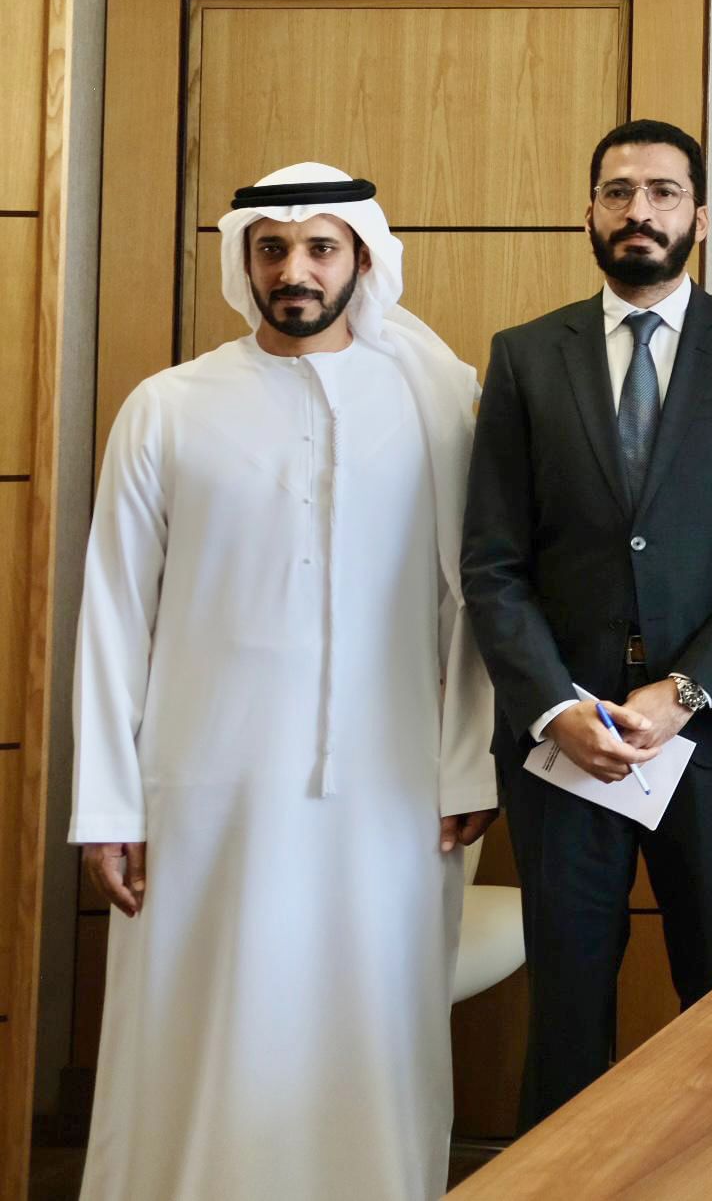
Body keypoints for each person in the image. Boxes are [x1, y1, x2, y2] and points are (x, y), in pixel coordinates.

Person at [69, 164, 495, 1200]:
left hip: (392, 791)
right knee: (196, 1028)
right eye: (272, 248)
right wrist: (108, 805)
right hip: (202, 790)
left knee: (374, 1030)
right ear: (244, 261)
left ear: (362, 258)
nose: (293, 270)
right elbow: (114, 614)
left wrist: (466, 765)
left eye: (319, 248)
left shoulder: (439, 404)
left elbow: (474, 605)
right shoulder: (167, 408)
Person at [462, 119, 712, 1125]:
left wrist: (684, 691)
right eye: (618, 192)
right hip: (563, 741)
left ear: (700, 215)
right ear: (588, 214)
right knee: (568, 1007)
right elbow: (492, 562)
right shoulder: (526, 356)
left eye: (664, 192)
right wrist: (553, 706)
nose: (640, 211)